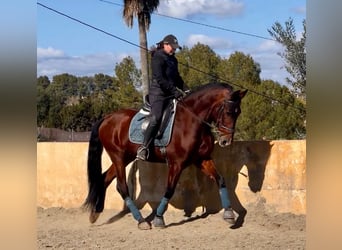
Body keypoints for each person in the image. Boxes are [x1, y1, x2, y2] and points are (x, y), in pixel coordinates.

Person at [136, 34, 186, 161]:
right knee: (156, 117)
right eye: (172, 47)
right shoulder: (157, 58)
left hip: (170, 93)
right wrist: (174, 91)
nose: (174, 50)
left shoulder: (173, 60)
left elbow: (177, 78)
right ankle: (144, 147)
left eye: (175, 48)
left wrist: (187, 90)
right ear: (165, 44)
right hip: (158, 94)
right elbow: (160, 78)